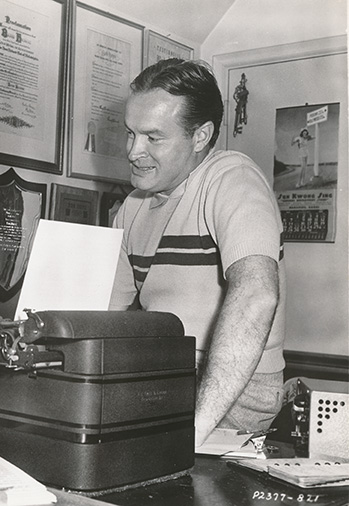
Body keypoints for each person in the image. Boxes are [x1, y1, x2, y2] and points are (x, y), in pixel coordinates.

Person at [109, 59, 286, 446]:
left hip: (235, 387)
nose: (134, 151)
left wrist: (187, 436)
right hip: (163, 377)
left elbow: (257, 296)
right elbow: (100, 313)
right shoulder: (134, 206)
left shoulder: (233, 179)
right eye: (130, 133)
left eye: (153, 138)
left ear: (201, 136)